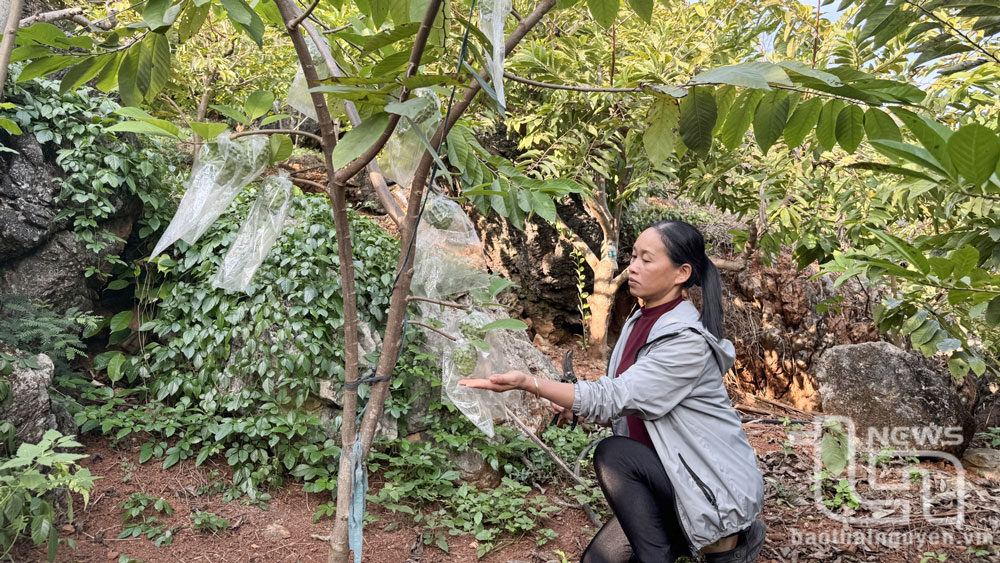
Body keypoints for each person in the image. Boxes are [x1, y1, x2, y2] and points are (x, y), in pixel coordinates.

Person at [459, 220, 766, 563]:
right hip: (670, 479)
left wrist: (529, 383)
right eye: (633, 256)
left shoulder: (686, 342)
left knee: (614, 455)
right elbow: (630, 405)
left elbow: (614, 396)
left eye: (646, 259)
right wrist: (575, 405)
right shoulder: (640, 320)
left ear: (681, 273)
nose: (632, 267)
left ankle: (712, 545)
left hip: (709, 497)